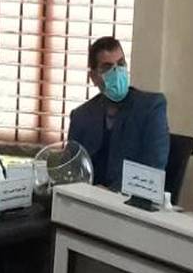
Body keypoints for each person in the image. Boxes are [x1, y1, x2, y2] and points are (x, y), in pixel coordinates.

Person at [68, 36, 169, 190]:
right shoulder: (81, 116)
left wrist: (110, 193)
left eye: (121, 64)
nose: (116, 72)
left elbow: (153, 169)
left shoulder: (150, 108)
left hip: (130, 200)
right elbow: (72, 171)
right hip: (88, 198)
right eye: (107, 67)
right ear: (93, 77)